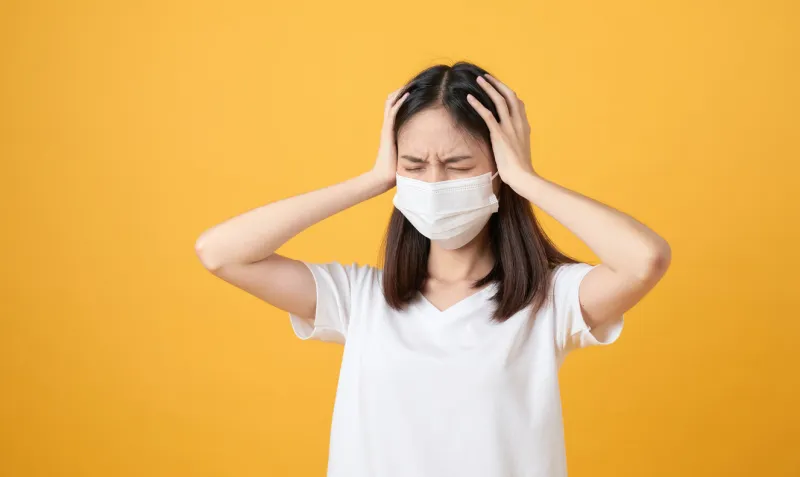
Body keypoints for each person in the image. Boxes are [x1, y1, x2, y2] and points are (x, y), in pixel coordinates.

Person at [194, 61, 671, 477]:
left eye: (459, 164)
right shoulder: (359, 299)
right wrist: (373, 179)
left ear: (496, 172)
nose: (435, 181)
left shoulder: (551, 300)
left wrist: (526, 179)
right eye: (415, 164)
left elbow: (644, 259)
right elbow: (221, 252)